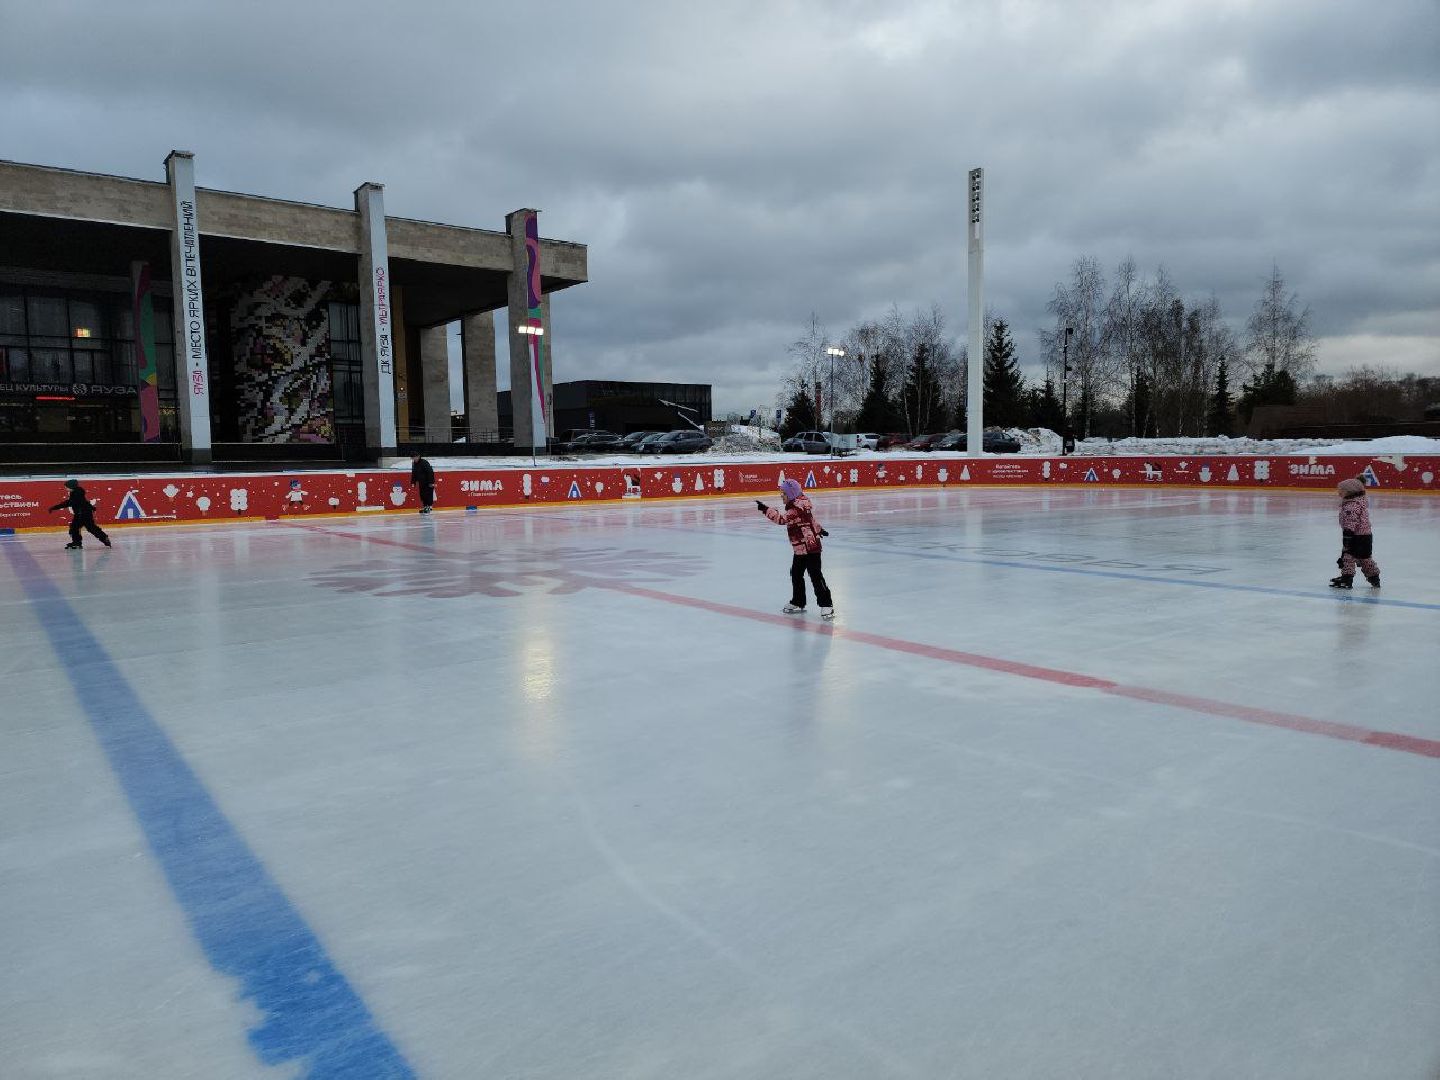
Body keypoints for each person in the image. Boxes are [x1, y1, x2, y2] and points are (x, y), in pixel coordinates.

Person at [756, 478, 834, 619]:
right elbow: (811, 521)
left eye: (783, 493)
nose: (781, 496)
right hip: (800, 548)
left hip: (811, 548)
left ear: (791, 494)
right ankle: (798, 601)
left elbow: (781, 520)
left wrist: (765, 509)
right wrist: (819, 529)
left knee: (815, 576)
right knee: (796, 574)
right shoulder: (799, 506)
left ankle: (827, 604)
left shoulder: (796, 509)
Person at [1331, 477, 1380, 589]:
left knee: (1349, 557)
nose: (1338, 492)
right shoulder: (1357, 502)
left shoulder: (1351, 505)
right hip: (1364, 536)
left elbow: (1350, 522)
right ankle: (1373, 577)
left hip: (1355, 535)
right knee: (1363, 558)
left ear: (1349, 491)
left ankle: (1347, 579)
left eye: (1341, 490)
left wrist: (1347, 537)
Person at [49, 479, 111, 550]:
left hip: (81, 514)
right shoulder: (77, 492)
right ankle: (103, 538)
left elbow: (69, 503)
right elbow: (84, 502)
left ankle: (77, 542)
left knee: (79, 528)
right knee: (85, 528)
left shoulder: (76, 494)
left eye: (66, 487)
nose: (65, 488)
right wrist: (91, 507)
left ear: (72, 487)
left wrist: (55, 507)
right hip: (83, 513)